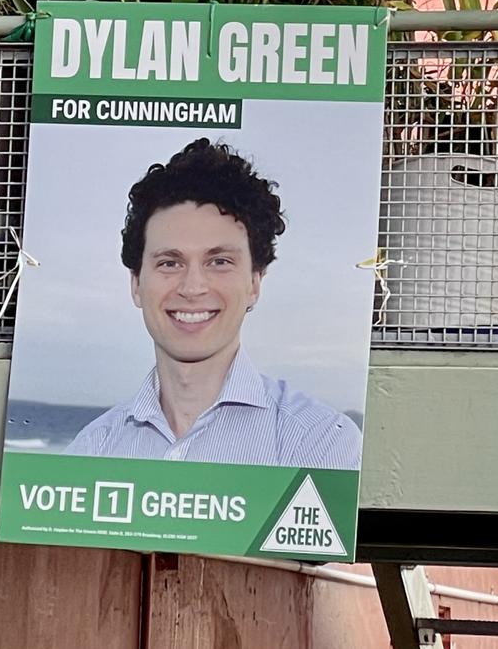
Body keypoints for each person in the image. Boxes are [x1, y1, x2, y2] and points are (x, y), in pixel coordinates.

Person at [67, 138, 361, 469]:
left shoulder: (320, 444)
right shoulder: (91, 450)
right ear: (136, 283)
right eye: (169, 262)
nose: (193, 287)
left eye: (219, 261)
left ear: (254, 282)